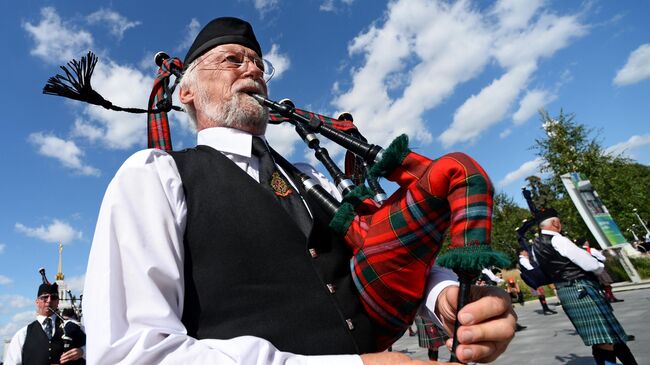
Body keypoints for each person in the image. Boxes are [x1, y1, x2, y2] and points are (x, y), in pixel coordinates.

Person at [83, 16, 516, 364]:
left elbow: (374, 250)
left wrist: (442, 296)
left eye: (257, 62)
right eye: (232, 59)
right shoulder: (155, 177)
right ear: (188, 91)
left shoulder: (311, 175)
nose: (252, 68)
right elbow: (131, 353)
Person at [534, 208, 637, 365]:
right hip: (581, 288)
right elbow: (591, 265)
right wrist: (599, 266)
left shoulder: (536, 246)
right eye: (559, 222)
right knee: (605, 339)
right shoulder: (559, 240)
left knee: (607, 338)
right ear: (555, 223)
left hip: (566, 292)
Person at [3, 282, 84, 365]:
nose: (49, 300)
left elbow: (93, 350)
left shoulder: (74, 327)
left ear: (58, 301)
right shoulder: (23, 334)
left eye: (53, 297)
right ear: (37, 302)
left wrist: (82, 352)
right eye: (44, 297)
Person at [518, 249, 557, 315]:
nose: (527, 252)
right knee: (540, 293)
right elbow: (530, 268)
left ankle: (546, 308)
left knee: (541, 293)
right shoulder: (523, 259)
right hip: (532, 277)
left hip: (532, 277)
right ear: (521, 252)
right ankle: (545, 309)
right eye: (525, 251)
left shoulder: (524, 259)